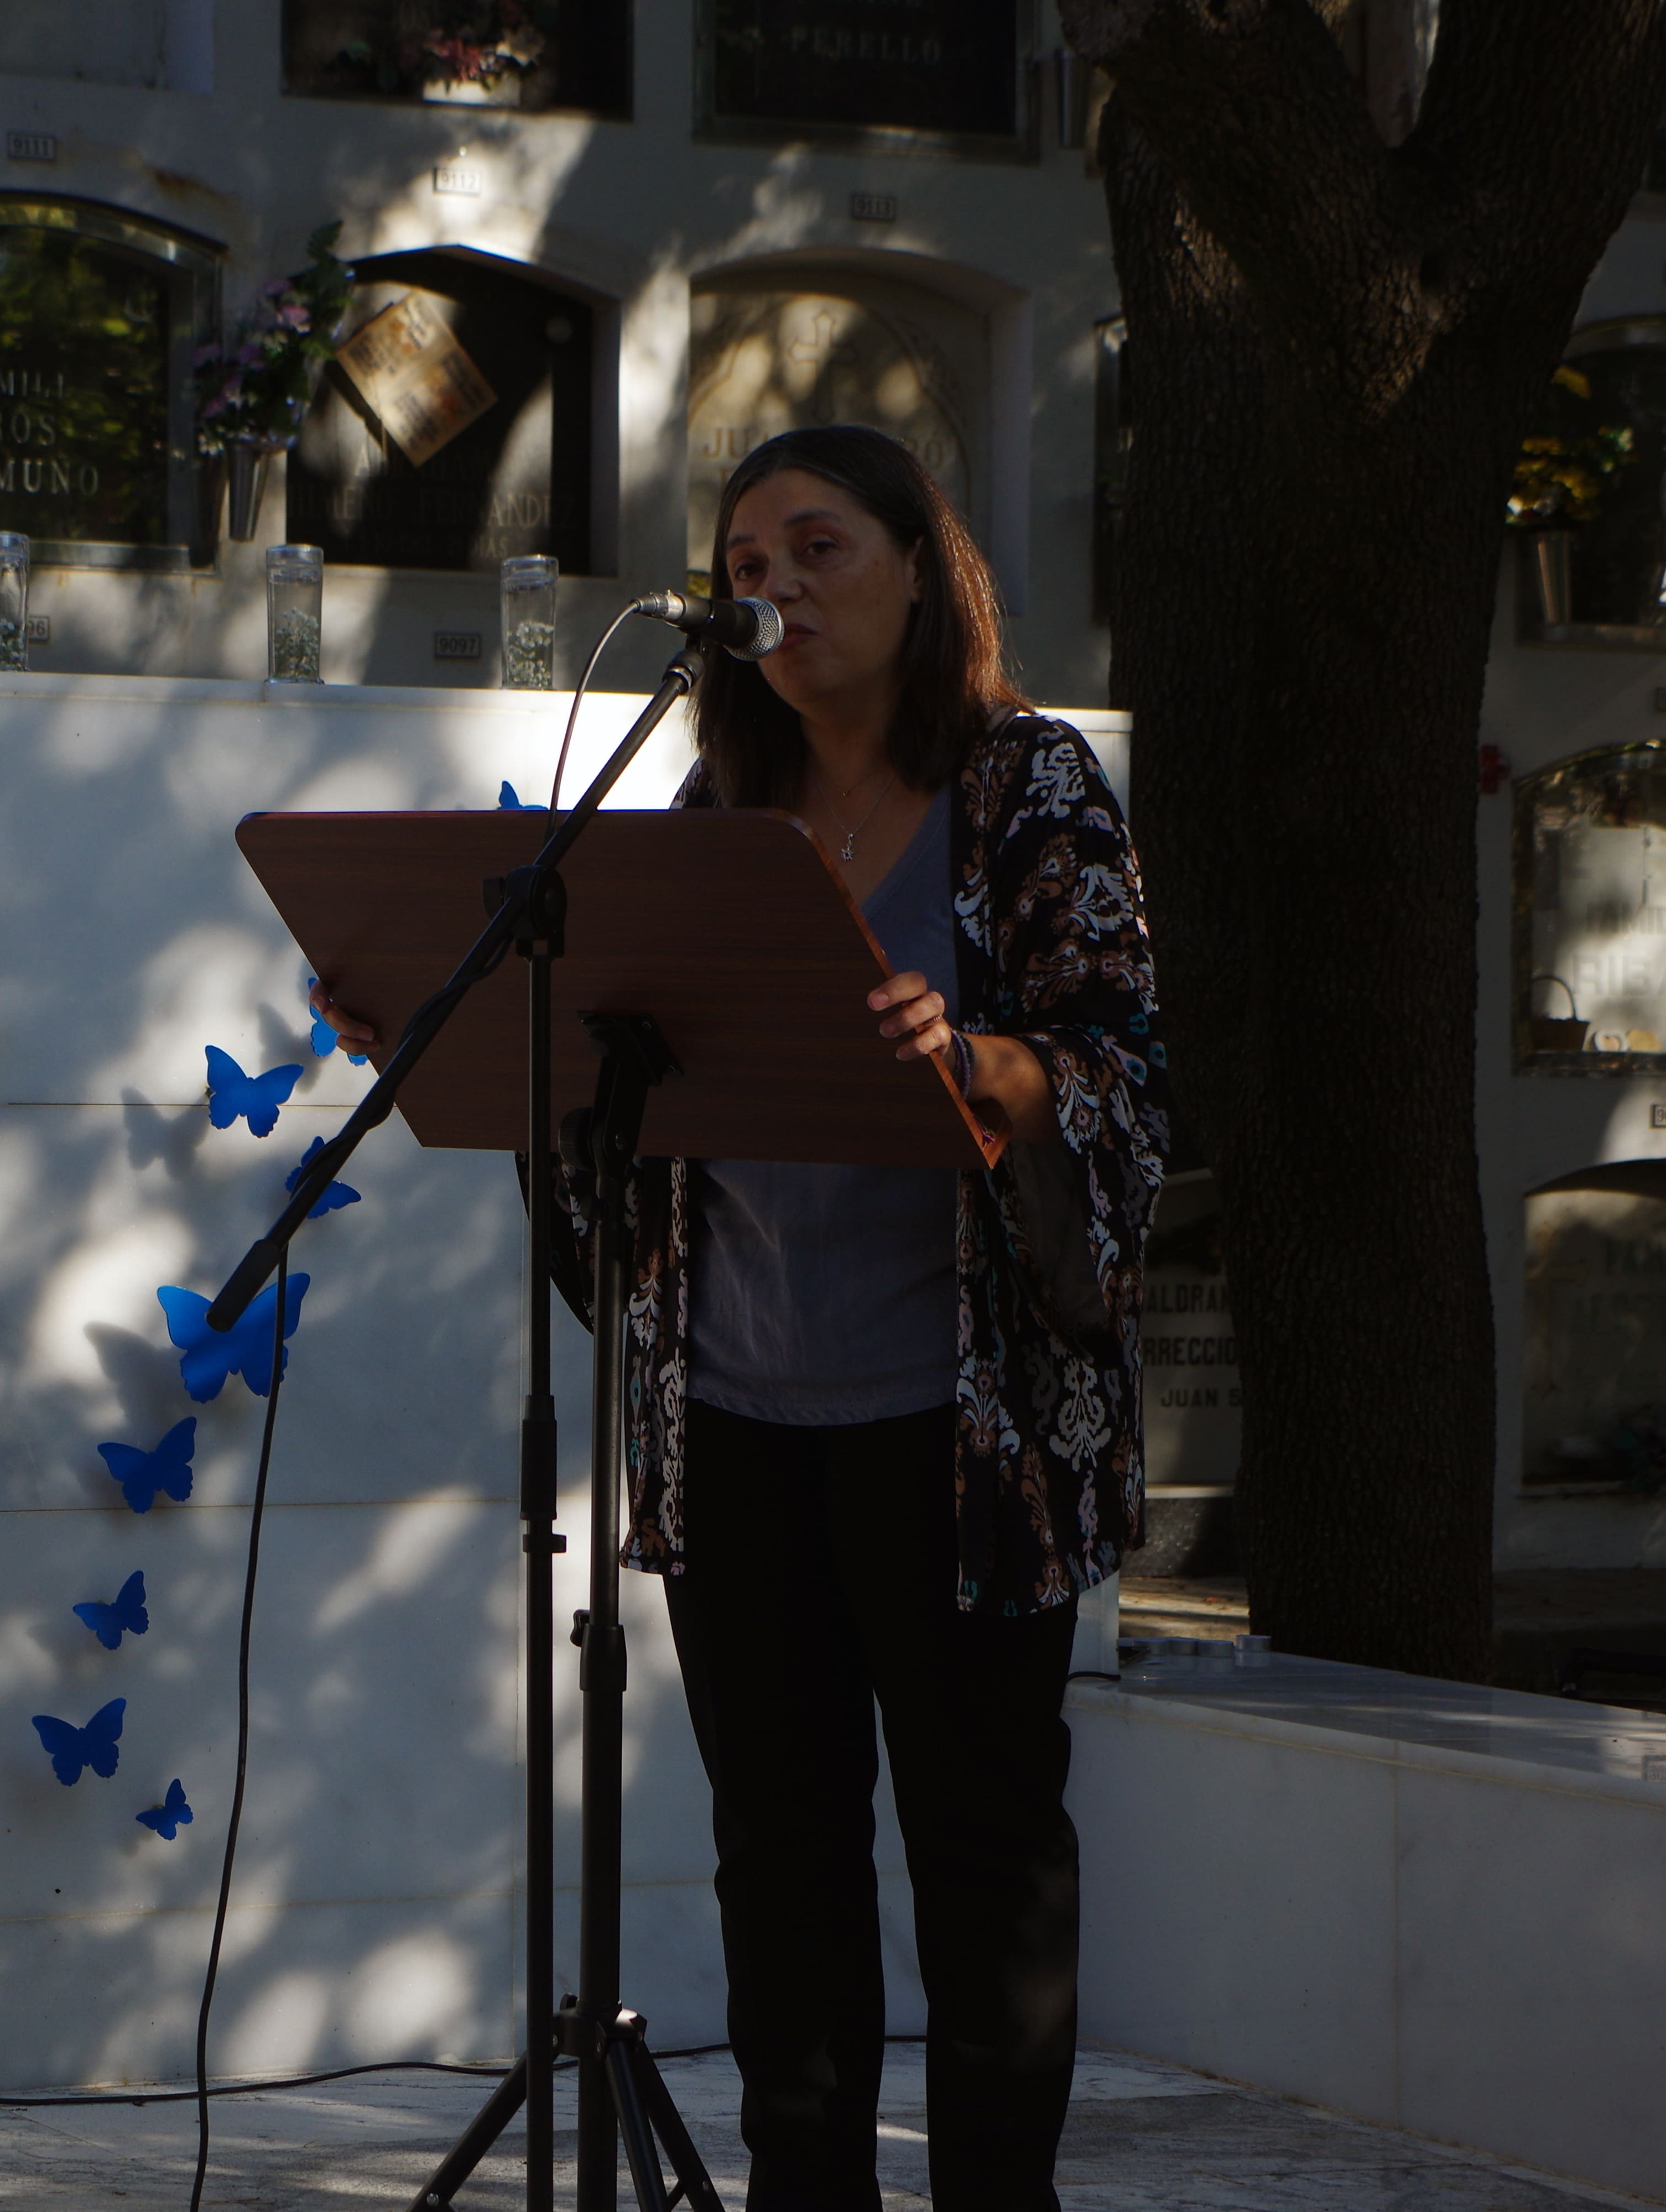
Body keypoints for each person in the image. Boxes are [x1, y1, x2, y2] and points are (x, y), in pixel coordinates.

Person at [319, 424, 1167, 2212]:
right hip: (735, 1421)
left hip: (964, 1432)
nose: (774, 583)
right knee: (780, 1855)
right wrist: (446, 1023)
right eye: (747, 559)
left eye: (818, 545)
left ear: (924, 565)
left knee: (985, 1852)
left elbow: (1121, 1069)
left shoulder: (1028, 785)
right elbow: (617, 1116)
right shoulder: (714, 811)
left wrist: (988, 1063)